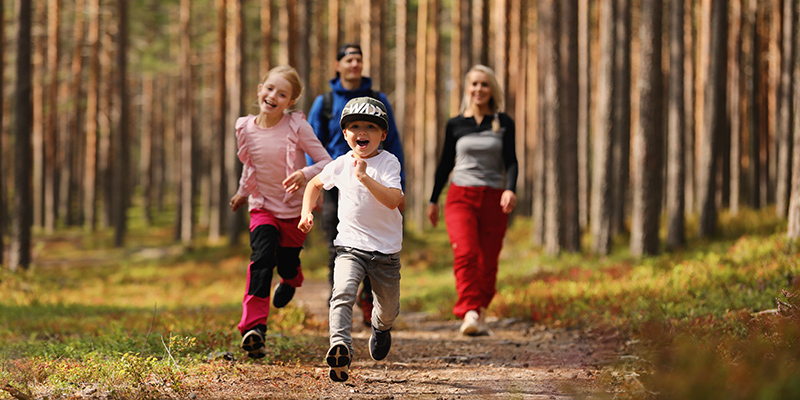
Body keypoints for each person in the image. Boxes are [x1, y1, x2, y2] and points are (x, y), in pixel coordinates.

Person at [230, 65, 332, 359]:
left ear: (290, 102)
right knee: (261, 260)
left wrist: (304, 173)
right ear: (260, 90)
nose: (274, 96)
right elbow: (251, 165)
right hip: (262, 207)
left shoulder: (297, 126)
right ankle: (254, 329)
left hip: (293, 209)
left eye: (282, 94)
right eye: (270, 88)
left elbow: (326, 162)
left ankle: (291, 279)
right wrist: (241, 193)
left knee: (286, 262)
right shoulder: (245, 128)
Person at [299, 97, 404, 382]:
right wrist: (306, 211)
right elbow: (314, 184)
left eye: (371, 127)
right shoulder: (340, 164)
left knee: (389, 310)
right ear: (345, 133)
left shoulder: (387, 163)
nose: (362, 132)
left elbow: (394, 200)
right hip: (350, 246)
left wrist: (365, 178)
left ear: (382, 135)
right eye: (355, 126)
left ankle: (381, 328)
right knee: (342, 293)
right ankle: (340, 346)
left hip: (386, 251)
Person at [306, 43, 406, 327]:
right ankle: (337, 302)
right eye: (348, 59)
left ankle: (367, 295)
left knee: (373, 244)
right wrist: (315, 185)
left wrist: (401, 185)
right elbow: (313, 143)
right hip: (337, 181)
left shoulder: (378, 98)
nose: (354, 64)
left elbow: (394, 143)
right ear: (338, 65)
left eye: (358, 60)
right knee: (338, 246)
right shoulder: (324, 102)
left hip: (375, 180)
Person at [426, 65, 518, 336]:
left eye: (484, 84)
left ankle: (480, 308)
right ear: (467, 88)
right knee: (465, 253)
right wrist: (433, 199)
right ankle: (468, 311)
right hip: (460, 196)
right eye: (474, 84)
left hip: (494, 198)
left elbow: (511, 161)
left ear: (492, 90)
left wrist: (510, 189)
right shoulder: (456, 124)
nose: (479, 89)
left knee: (488, 261)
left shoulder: (503, 122)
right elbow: (445, 164)